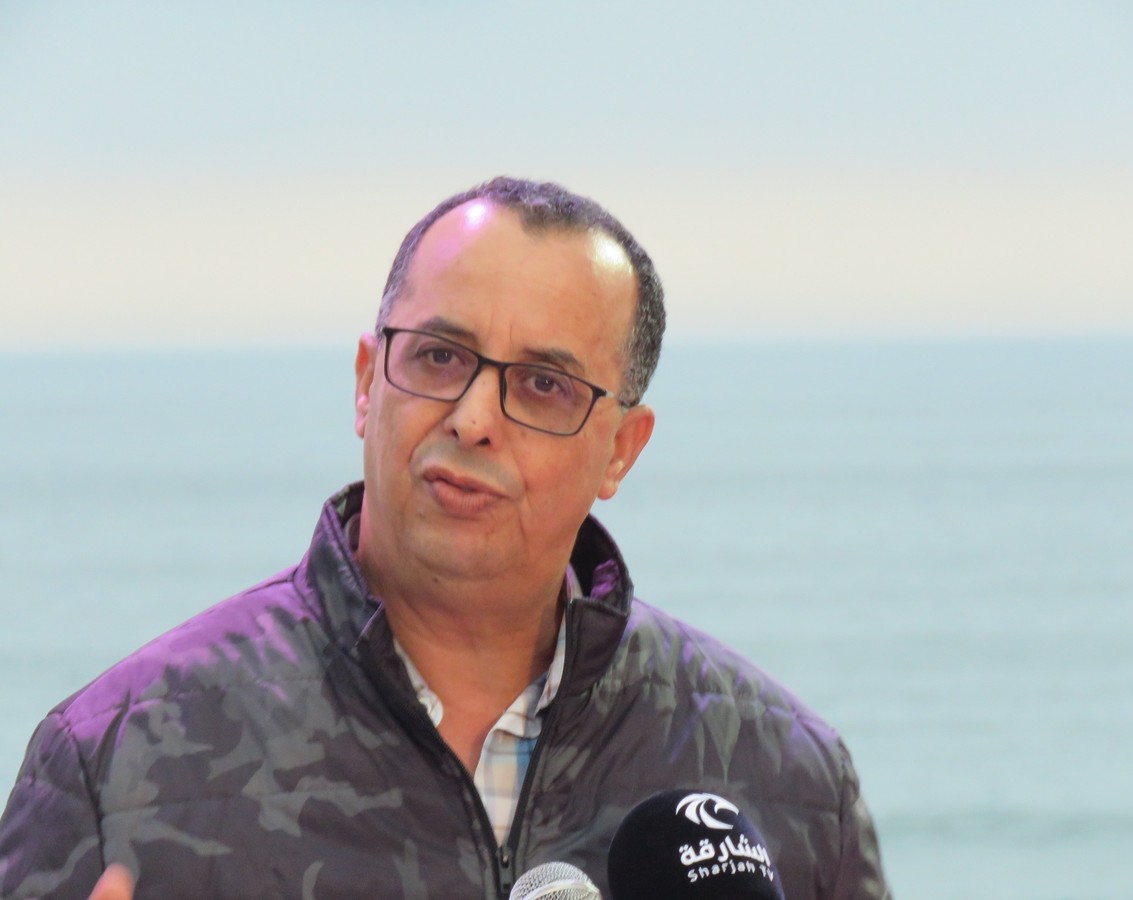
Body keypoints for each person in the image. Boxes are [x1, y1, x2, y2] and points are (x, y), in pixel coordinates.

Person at [0, 177, 891, 899]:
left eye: (542, 385)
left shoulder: (786, 781)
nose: (472, 419)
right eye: (438, 357)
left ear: (621, 448)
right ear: (366, 382)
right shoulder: (116, 761)